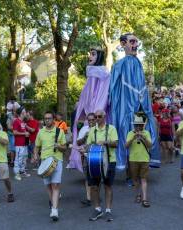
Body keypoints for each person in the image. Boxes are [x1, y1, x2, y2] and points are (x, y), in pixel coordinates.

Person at [109, 33, 160, 170]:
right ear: (123, 44)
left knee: (142, 134)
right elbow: (112, 89)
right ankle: (128, 170)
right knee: (125, 135)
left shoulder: (137, 62)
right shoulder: (119, 65)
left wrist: (144, 108)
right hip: (125, 109)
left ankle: (140, 169)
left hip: (140, 108)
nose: (135, 45)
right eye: (132, 42)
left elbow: (141, 87)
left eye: (136, 42)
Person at [69, 48, 110, 172]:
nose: (89, 56)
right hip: (90, 113)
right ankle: (86, 165)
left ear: (100, 56)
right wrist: (82, 105)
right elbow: (88, 94)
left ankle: (97, 167)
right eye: (90, 54)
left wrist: (95, 112)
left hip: (95, 112)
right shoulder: (93, 71)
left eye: (93, 54)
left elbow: (101, 95)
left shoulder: (101, 72)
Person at [32, 111, 67, 221]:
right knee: (48, 186)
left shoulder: (59, 131)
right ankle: (53, 202)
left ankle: (54, 210)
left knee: (55, 185)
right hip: (44, 162)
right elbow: (37, 147)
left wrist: (59, 146)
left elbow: (65, 147)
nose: (47, 120)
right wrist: (35, 155)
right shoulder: (41, 132)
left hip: (57, 161)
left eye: (49, 118)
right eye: (45, 118)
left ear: (53, 119)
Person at [86, 110, 118, 222]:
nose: (97, 118)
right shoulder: (92, 130)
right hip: (94, 161)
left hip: (109, 161)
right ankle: (97, 209)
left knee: (108, 186)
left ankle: (108, 210)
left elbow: (116, 143)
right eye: (95, 117)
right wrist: (84, 149)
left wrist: (105, 142)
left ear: (104, 117)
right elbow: (88, 145)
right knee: (94, 186)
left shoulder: (111, 129)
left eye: (99, 116)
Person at [125, 115, 152, 208]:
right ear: (134, 126)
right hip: (133, 159)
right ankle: (138, 195)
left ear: (142, 125)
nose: (138, 127)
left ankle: (144, 199)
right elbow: (126, 146)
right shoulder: (130, 133)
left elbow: (150, 145)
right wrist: (133, 137)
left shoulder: (146, 133)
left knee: (144, 179)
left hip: (144, 159)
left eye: (140, 125)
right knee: (135, 179)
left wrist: (143, 138)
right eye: (136, 125)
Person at [76, 113, 97, 206]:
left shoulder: (99, 129)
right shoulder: (84, 129)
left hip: (96, 156)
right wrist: (85, 136)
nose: (91, 121)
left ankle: (96, 196)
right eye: (89, 120)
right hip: (85, 156)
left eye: (93, 120)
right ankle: (88, 198)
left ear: (95, 120)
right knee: (87, 178)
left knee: (96, 178)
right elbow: (78, 142)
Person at [13, 107, 30, 180]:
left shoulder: (22, 122)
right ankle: (17, 174)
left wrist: (26, 136)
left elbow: (24, 132)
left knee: (24, 158)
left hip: (24, 144)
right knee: (18, 159)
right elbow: (14, 132)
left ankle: (22, 171)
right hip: (19, 144)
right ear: (21, 113)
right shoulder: (16, 121)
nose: (26, 113)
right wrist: (24, 133)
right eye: (25, 112)